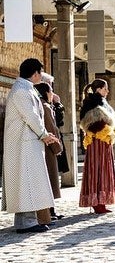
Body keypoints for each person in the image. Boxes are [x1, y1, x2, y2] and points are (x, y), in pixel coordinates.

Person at [1, 58, 60, 233]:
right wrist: (43, 134)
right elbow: (31, 116)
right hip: (23, 143)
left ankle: (28, 220)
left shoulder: (25, 88)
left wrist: (43, 133)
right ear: (35, 73)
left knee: (28, 181)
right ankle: (26, 222)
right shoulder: (21, 91)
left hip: (27, 142)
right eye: (40, 72)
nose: (41, 76)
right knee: (26, 181)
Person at [79, 78, 115, 214]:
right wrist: (103, 130)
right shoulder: (92, 103)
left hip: (105, 142)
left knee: (103, 169)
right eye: (105, 88)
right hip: (97, 142)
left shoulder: (102, 102)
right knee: (97, 169)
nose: (107, 91)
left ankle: (101, 200)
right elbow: (88, 123)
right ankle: (96, 201)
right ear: (98, 89)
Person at [34, 82, 64, 221]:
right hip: (48, 148)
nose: (53, 94)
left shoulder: (44, 105)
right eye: (51, 91)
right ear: (46, 93)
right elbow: (51, 128)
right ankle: (49, 212)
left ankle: (50, 211)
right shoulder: (45, 107)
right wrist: (57, 148)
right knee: (50, 180)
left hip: (44, 147)